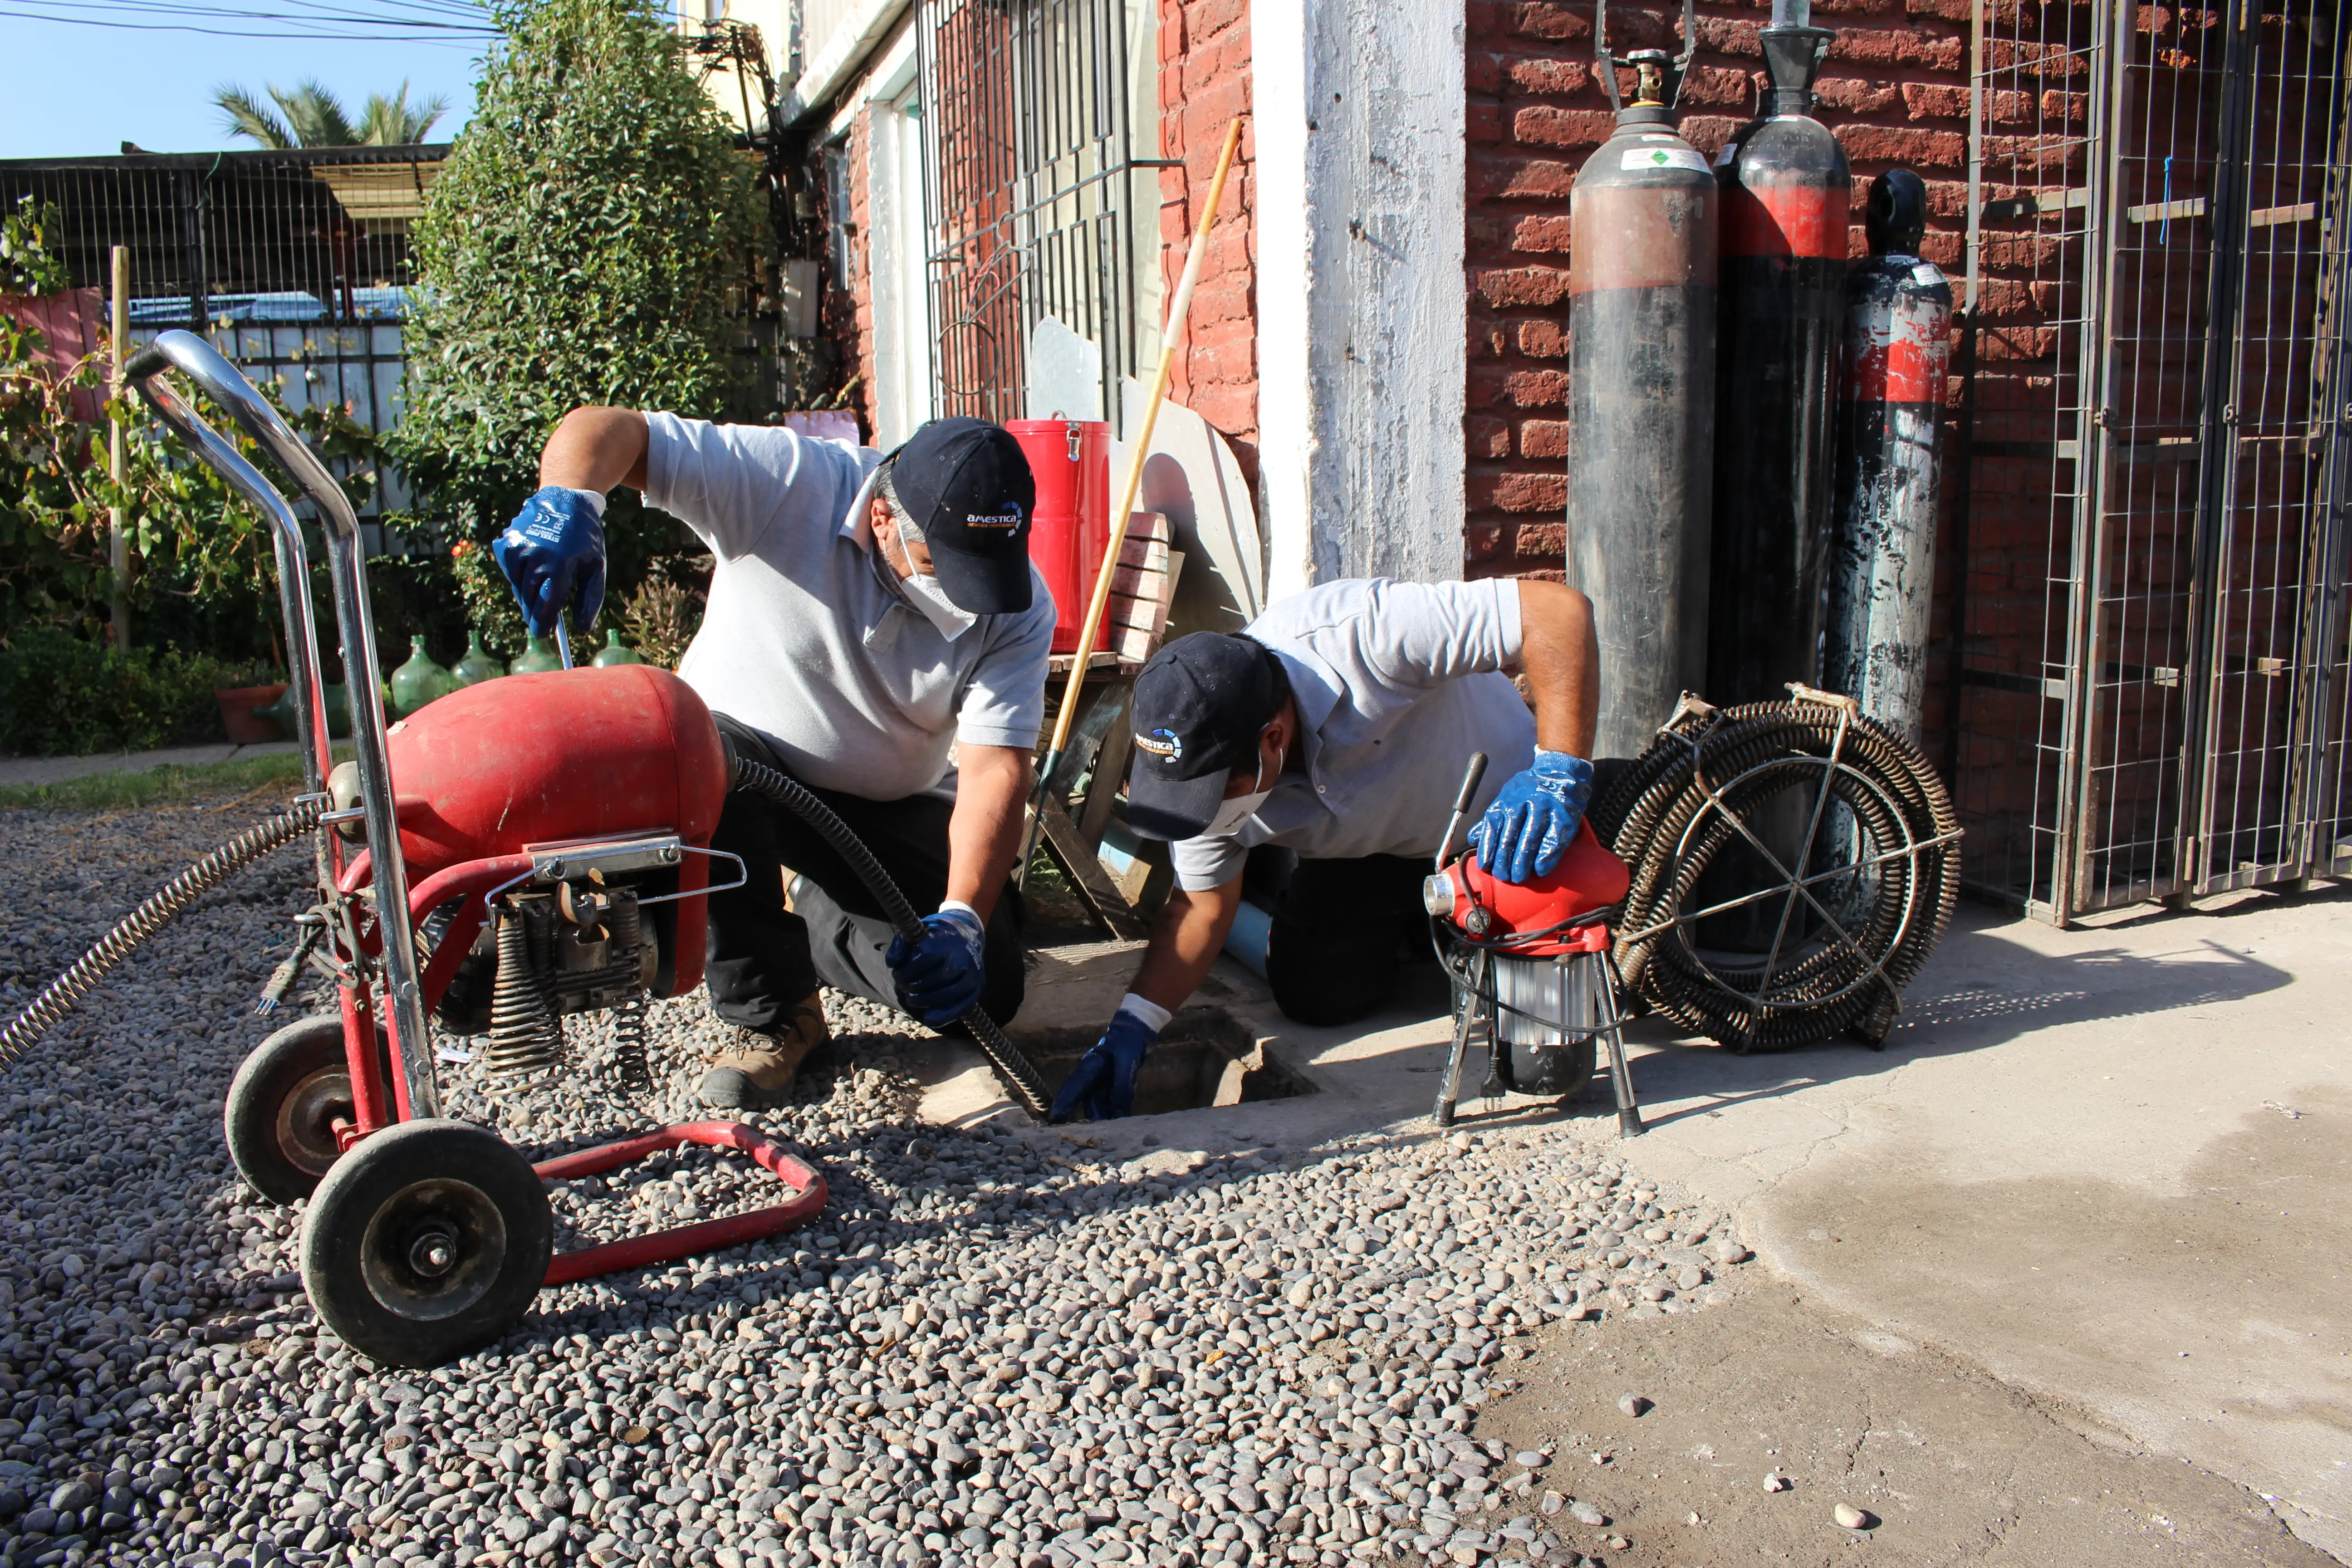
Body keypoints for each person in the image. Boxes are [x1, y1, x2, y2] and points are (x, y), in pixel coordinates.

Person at [492, 409, 1054, 1109]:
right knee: (709, 760)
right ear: (882, 517)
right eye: (946, 568)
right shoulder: (787, 482)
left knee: (986, 992)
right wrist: (570, 498)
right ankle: (775, 1015)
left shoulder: (1019, 607)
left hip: (889, 807)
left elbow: (995, 768)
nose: (967, 601)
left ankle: (817, 920)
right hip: (737, 772)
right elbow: (611, 430)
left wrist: (963, 919)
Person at [1050, 576, 1600, 1122]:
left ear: (1272, 739)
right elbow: (1200, 905)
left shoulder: (1362, 636)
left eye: (1220, 794)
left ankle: (1483, 921)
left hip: (1515, 826)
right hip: (1380, 855)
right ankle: (1441, 932)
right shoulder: (1209, 750)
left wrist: (1558, 771)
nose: (1207, 814)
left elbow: (1557, 612)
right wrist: (1133, 1027)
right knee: (1315, 993)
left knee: (1595, 973)